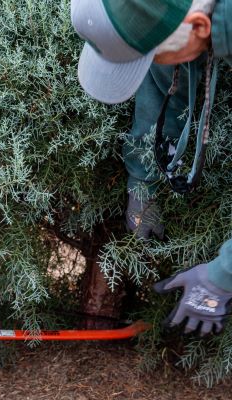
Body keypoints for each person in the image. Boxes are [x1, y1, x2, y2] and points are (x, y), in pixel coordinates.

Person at [71, 0, 232, 336]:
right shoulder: (179, 15)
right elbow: (165, 81)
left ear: (200, 26)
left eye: (152, 57)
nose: (154, 64)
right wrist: (143, 183)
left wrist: (222, 275)